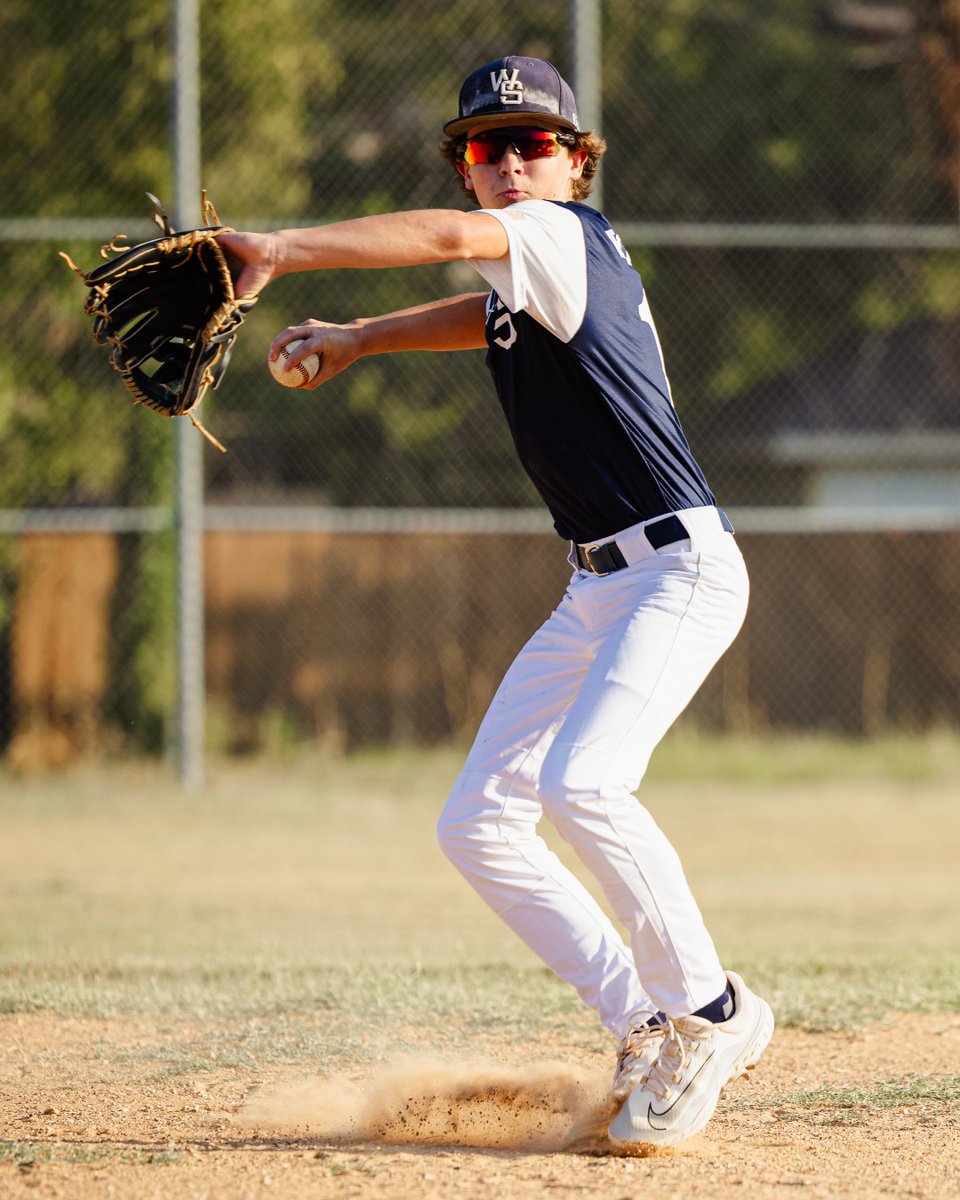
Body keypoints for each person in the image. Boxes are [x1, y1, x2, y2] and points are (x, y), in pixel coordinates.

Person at [219, 55, 773, 1149]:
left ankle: (711, 1015)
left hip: (677, 569)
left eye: (536, 143)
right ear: (468, 168)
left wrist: (279, 253)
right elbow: (482, 315)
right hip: (595, 587)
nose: (513, 161)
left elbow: (443, 243)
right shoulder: (531, 282)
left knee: (585, 785)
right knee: (477, 822)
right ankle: (640, 1024)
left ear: (576, 164)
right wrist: (362, 338)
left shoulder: (566, 234)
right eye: (487, 147)